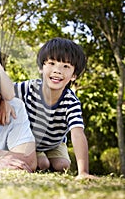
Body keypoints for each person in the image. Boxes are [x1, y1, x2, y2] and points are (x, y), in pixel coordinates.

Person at [14, 37, 97, 179]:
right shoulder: (29, 88)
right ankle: (40, 158)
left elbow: (77, 133)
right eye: (52, 63)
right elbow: (4, 92)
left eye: (66, 66)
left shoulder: (71, 101)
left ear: (74, 75)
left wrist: (83, 172)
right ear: (41, 68)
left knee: (62, 165)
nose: (57, 70)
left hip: (54, 143)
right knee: (42, 163)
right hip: (30, 141)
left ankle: (49, 158)